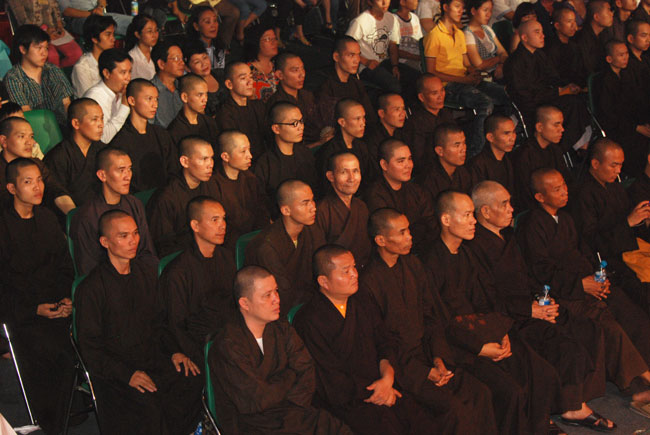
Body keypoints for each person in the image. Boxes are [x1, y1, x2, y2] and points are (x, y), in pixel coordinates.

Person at [468, 181, 621, 431]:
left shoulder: (508, 236)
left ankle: (573, 402)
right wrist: (530, 310)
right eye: (504, 204)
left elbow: (528, 276)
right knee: (565, 348)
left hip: (530, 306)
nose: (511, 209)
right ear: (485, 211)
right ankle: (567, 408)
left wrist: (543, 300)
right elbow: (486, 297)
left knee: (588, 329)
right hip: (509, 318)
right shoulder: (474, 247)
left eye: (510, 203)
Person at [428, 190, 564, 434]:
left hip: (486, 331)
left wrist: (501, 332)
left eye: (473, 214)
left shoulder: (467, 253)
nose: (474, 221)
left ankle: (539, 427)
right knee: (510, 392)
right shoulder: (431, 263)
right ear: (446, 220)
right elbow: (438, 320)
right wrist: (479, 348)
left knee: (540, 372)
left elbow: (487, 299)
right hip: (460, 346)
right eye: (467, 215)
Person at [518, 167, 650, 408]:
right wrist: (580, 285)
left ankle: (645, 375)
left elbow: (584, 253)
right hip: (562, 292)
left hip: (585, 283)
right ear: (540, 197)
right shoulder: (531, 226)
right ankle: (640, 382)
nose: (564, 192)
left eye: (564, 185)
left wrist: (598, 278)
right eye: (556, 189)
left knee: (628, 311)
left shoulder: (566, 219)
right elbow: (539, 270)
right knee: (605, 324)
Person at [360, 208, 498, 434]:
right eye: (402, 232)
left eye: (409, 230)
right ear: (381, 240)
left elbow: (430, 316)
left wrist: (438, 357)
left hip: (428, 354)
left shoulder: (414, 265)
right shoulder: (368, 282)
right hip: (402, 367)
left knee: (480, 393)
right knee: (452, 409)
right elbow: (381, 341)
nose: (410, 237)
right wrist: (424, 372)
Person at [75, 209, 203, 434]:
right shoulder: (92, 289)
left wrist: (174, 351)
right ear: (105, 242)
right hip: (116, 371)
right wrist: (127, 375)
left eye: (135, 233)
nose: (133, 241)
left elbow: (161, 322)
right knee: (150, 404)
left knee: (191, 378)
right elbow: (90, 348)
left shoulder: (147, 273)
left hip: (151, 355)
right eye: (123, 236)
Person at [294, 244, 442, 434]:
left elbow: (385, 340)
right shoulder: (309, 320)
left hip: (382, 383)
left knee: (424, 423)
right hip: (348, 400)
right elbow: (328, 378)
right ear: (324, 281)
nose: (355, 274)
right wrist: (377, 391)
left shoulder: (362, 300)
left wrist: (388, 376)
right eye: (346, 271)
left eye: (354, 267)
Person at [207, 265, 353, 434]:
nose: (276, 299)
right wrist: (290, 375)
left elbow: (307, 371)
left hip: (293, 414)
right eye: (267, 295)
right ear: (245, 303)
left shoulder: (282, 328)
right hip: (253, 426)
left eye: (276, 291)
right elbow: (256, 400)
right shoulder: (228, 344)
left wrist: (290, 407)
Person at [0, 158, 75, 434]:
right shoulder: (3, 226)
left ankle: (60, 418)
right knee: (49, 351)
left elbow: (65, 267)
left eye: (40, 180)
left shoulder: (47, 219)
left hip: (55, 308)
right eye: (28, 182)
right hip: (21, 315)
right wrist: (34, 309)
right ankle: (47, 423)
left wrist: (66, 299)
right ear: (12, 188)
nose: (37, 187)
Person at [570, 140, 650, 311]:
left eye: (620, 165)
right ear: (595, 164)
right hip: (609, 260)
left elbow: (629, 220)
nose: (619, 171)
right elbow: (591, 241)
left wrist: (642, 219)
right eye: (614, 165)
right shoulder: (583, 194)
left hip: (628, 248)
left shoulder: (615, 187)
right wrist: (628, 223)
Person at [424, 0, 508, 157]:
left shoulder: (459, 33)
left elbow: (466, 63)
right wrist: (464, 79)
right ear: (445, 7)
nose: (461, 11)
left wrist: (473, 73)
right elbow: (431, 73)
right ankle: (477, 151)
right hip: (447, 85)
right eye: (457, 7)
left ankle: (504, 138)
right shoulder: (435, 35)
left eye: (462, 7)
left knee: (505, 93)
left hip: (464, 81)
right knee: (485, 103)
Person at [160, 196, 236, 364]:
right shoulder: (178, 271)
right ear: (195, 226)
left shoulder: (226, 257)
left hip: (229, 336)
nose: (222, 225)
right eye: (214, 220)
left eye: (223, 219)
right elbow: (176, 324)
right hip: (199, 345)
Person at [503, 20, 592, 153]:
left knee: (580, 99)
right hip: (531, 106)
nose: (542, 36)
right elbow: (523, 96)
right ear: (524, 37)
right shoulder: (514, 63)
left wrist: (569, 86)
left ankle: (578, 146)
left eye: (542, 32)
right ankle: (561, 150)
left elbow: (553, 77)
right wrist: (558, 92)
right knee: (573, 105)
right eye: (537, 32)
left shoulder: (539, 54)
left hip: (546, 98)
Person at [70, 146, 156, 276]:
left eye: (129, 169)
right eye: (121, 170)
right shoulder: (86, 216)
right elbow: (88, 267)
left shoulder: (134, 204)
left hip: (138, 275)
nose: (128, 176)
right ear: (102, 175)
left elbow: (147, 250)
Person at [245, 179, 325, 315]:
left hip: (308, 299)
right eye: (305, 203)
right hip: (279, 307)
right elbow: (282, 292)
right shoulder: (266, 246)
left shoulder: (312, 231)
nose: (313, 207)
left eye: (312, 201)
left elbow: (321, 267)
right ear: (286, 210)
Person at [147, 136, 219, 257]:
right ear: (185, 162)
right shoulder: (166, 197)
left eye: (211, 158)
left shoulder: (211, 185)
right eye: (204, 159)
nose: (210, 164)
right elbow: (163, 244)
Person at [364, 139, 438, 256]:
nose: (408, 165)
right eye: (401, 161)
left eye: (410, 159)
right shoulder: (375, 194)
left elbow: (430, 223)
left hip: (422, 250)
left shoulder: (416, 190)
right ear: (384, 165)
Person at [110, 78, 177, 192]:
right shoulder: (121, 140)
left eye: (156, 99)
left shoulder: (161, 134)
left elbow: (173, 168)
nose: (155, 105)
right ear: (132, 100)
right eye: (149, 99)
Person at [0, 117, 74, 214]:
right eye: (22, 136)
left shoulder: (36, 163)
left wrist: (72, 214)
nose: (29, 142)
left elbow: (54, 189)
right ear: (4, 141)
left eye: (31, 136)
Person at [598, 40, 650, 176]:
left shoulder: (628, 75)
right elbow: (608, 115)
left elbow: (637, 103)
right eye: (621, 55)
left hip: (634, 122)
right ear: (609, 59)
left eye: (626, 53)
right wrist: (636, 127)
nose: (625, 57)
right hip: (618, 128)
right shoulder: (604, 81)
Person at [4, 25, 74, 126]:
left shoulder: (53, 70)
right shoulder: (13, 78)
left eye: (46, 48)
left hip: (62, 125)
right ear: (23, 49)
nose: (44, 53)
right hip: (35, 128)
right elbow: (26, 113)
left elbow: (66, 103)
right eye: (39, 48)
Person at [212, 130, 270, 249]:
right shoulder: (213, 184)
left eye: (249, 150)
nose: (250, 155)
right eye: (243, 151)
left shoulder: (251, 179)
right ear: (225, 156)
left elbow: (262, 212)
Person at [254, 102, 317, 210]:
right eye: (294, 123)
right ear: (276, 128)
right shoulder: (264, 164)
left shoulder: (305, 154)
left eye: (301, 121)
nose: (301, 127)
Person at [44, 98, 105, 206]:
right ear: (76, 123)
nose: (101, 124)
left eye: (102, 118)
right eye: (94, 119)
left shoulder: (103, 151)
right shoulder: (58, 156)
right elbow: (56, 193)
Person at [316, 153, 372, 268]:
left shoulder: (361, 206)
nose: (351, 178)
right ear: (331, 176)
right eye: (344, 172)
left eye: (355, 171)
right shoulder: (321, 211)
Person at [512, 105, 572, 211]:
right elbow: (524, 193)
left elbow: (566, 179)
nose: (562, 129)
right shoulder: (523, 155)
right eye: (556, 125)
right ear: (539, 127)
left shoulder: (555, 150)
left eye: (562, 124)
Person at [266, 52, 329, 148]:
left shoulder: (307, 95)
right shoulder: (276, 104)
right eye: (295, 70)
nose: (302, 74)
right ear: (280, 75)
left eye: (302, 69)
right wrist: (317, 144)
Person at [315, 98, 376, 195]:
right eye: (357, 119)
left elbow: (370, 177)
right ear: (342, 122)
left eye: (363, 118)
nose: (363, 123)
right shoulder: (328, 151)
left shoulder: (361, 146)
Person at [316, 36, 378, 129]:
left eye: (358, 55)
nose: (357, 60)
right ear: (336, 57)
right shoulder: (324, 83)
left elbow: (370, 117)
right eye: (351, 55)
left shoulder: (357, 84)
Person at [401, 74, 454, 181]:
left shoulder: (446, 114)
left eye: (442, 90)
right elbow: (419, 158)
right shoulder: (415, 123)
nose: (440, 96)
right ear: (421, 97)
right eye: (434, 93)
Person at [346, 0, 401, 94]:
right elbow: (346, 48)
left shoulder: (391, 18)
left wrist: (395, 65)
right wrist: (366, 61)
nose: (384, 3)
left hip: (385, 62)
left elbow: (393, 45)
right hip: (366, 67)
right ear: (370, 2)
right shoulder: (360, 22)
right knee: (394, 86)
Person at [216, 61, 269, 159]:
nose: (250, 82)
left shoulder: (258, 106)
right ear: (229, 84)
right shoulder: (225, 114)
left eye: (251, 77)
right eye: (243, 78)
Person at [7, 0, 82, 67]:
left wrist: (59, 27)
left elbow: (56, 10)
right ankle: (51, 75)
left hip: (53, 29)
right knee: (52, 56)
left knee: (76, 53)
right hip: (32, 32)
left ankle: (58, 74)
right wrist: (45, 33)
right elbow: (23, 21)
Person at [83, 48, 131, 143]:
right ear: (107, 73)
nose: (128, 78)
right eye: (123, 72)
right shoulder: (95, 97)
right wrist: (125, 106)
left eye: (130, 72)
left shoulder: (120, 93)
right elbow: (103, 138)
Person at [419, 122, 473, 202]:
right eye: (457, 145)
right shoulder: (428, 181)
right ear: (440, 151)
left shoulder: (463, 172)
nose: (463, 149)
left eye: (464, 143)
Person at [468, 114, 516, 196]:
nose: (512, 138)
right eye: (506, 133)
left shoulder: (510, 160)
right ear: (490, 137)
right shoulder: (477, 165)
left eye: (514, 132)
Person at [167, 73, 219, 146]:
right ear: (185, 97)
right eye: (199, 95)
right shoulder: (175, 130)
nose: (205, 99)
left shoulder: (209, 122)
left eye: (206, 94)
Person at [72, 14, 116, 97]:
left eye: (113, 34)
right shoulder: (82, 67)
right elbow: (88, 99)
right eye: (108, 34)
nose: (113, 39)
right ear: (94, 39)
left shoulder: (113, 60)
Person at [464, 0, 509, 79]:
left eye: (490, 11)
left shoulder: (487, 29)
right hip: (484, 77)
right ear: (473, 11)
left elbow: (503, 53)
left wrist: (501, 65)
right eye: (485, 10)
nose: (489, 15)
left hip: (499, 70)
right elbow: (479, 65)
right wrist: (499, 58)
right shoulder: (467, 34)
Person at [543, 7, 586, 88]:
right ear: (557, 25)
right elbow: (552, 76)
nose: (574, 25)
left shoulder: (574, 46)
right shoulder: (551, 48)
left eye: (574, 21)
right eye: (569, 21)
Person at [574, 0, 614, 76]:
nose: (611, 14)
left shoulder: (604, 35)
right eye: (608, 11)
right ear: (596, 17)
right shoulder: (582, 38)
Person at [150, 40, 185, 128]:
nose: (182, 63)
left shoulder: (183, 86)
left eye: (182, 58)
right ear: (161, 64)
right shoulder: (149, 90)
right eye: (176, 58)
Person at [183, 40, 222, 117]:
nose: (204, 64)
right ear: (187, 68)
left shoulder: (221, 74)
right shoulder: (190, 87)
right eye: (197, 62)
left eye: (205, 58)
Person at [363, 93, 406, 162]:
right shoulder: (372, 138)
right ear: (382, 113)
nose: (403, 114)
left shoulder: (400, 133)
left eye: (403, 109)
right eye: (397, 109)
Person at [58, 0, 132, 36]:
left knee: (133, 22)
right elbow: (66, 11)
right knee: (101, 24)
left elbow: (102, 1)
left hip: (98, 13)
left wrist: (100, 7)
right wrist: (92, 13)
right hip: (77, 18)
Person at [245, 26, 279, 102]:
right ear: (256, 42)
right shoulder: (247, 70)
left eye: (274, 38)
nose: (274, 42)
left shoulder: (279, 65)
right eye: (268, 39)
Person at [186, 6, 226, 72]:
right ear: (196, 26)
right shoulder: (191, 49)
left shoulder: (219, 45)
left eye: (215, 20)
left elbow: (220, 69)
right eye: (207, 22)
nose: (213, 25)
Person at [394, 0, 424, 74]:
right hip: (402, 61)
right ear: (402, 2)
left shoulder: (415, 18)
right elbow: (393, 49)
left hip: (417, 58)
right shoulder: (393, 19)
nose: (416, 1)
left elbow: (419, 40)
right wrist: (417, 57)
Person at [125, 14, 158, 80]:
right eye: (149, 31)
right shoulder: (132, 58)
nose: (154, 35)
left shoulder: (157, 52)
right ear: (137, 34)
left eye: (156, 30)